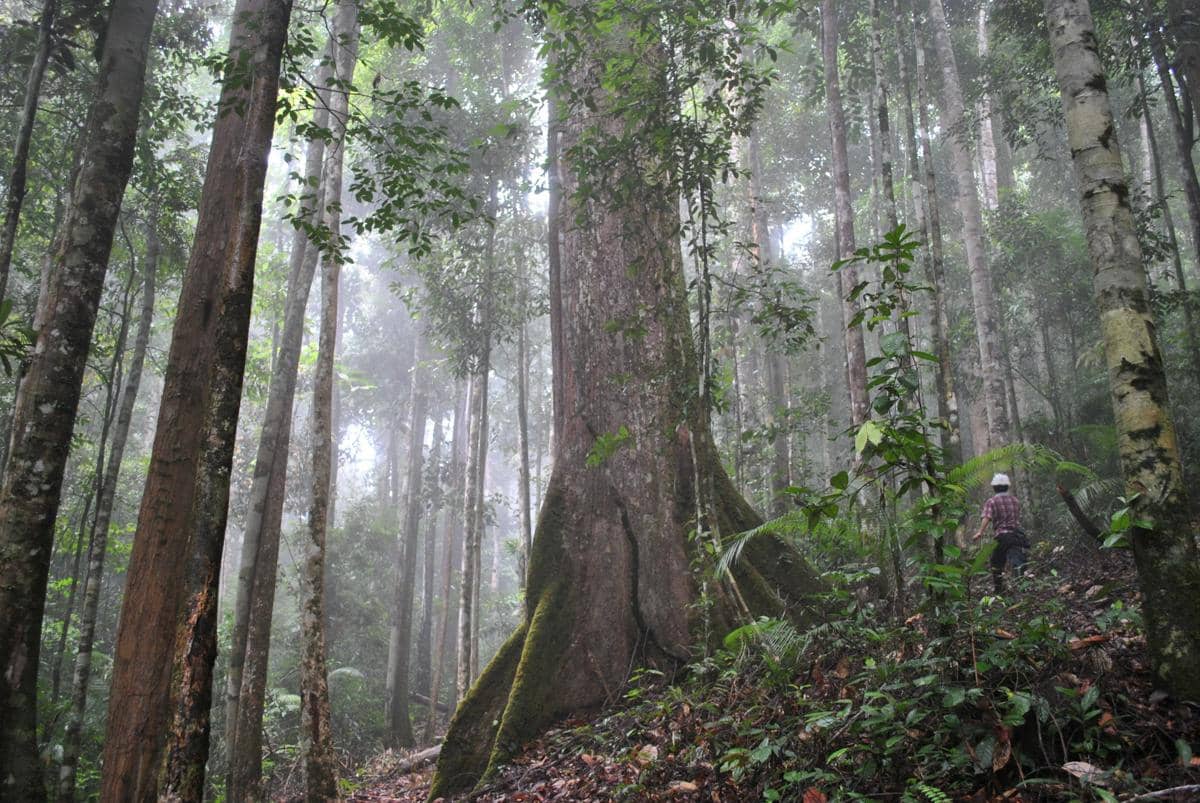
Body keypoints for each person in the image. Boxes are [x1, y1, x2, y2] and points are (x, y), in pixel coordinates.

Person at [972, 473, 1027, 593]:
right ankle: (1022, 588)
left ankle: (999, 589)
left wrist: (980, 532)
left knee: (996, 563)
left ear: (994, 487)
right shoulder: (1015, 500)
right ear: (1007, 486)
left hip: (1001, 536)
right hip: (1016, 535)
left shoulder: (991, 501)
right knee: (1018, 561)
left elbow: (987, 517)